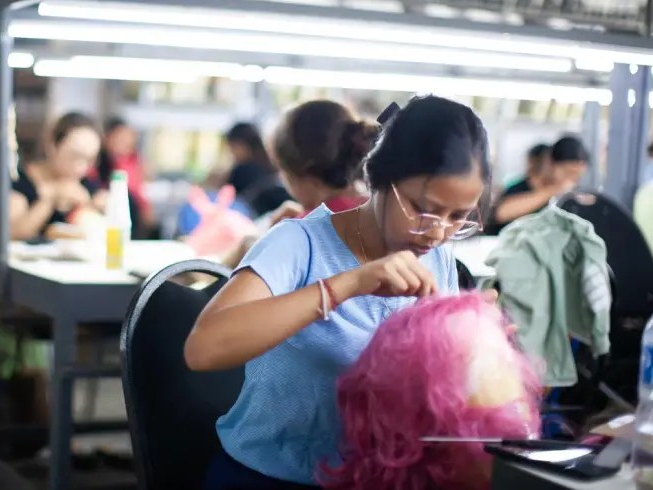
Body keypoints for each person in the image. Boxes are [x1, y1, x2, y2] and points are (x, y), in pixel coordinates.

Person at [184, 94, 490, 489]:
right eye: (421, 208)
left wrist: (478, 346)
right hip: (266, 479)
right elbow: (203, 348)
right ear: (380, 177)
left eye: (459, 218)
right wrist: (348, 284)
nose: (436, 232)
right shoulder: (298, 244)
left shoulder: (439, 261)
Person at [9, 112, 106, 240]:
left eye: (89, 160)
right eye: (74, 156)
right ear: (52, 145)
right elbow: (11, 234)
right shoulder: (19, 181)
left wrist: (96, 207)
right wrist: (49, 200)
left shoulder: (86, 185)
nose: (81, 167)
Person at [486, 135, 589, 235]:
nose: (571, 179)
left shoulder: (574, 194)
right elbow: (501, 214)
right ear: (550, 163)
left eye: (577, 175)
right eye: (568, 172)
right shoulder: (520, 188)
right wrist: (553, 190)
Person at [96, 117, 154, 235]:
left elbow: (139, 192)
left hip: (133, 220)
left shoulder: (133, 161)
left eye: (129, 138)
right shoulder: (97, 163)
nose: (127, 142)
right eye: (121, 138)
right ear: (107, 137)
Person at [225, 122, 292, 216]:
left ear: (243, 144)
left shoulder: (242, 171)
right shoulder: (272, 166)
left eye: (233, 147)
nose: (231, 152)